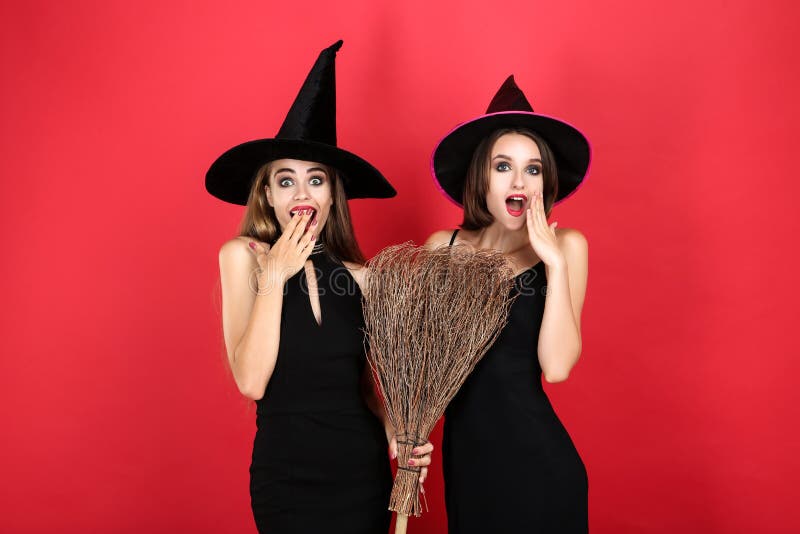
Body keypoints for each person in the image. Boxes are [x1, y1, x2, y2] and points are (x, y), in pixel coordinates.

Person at [206, 40, 432, 534]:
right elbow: (251, 381)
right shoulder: (241, 258)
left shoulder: (361, 276)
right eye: (285, 181)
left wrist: (400, 431)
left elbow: (370, 385)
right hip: (284, 476)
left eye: (316, 180)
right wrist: (276, 275)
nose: (302, 194)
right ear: (266, 194)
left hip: (359, 472)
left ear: (333, 193)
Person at [426, 75, 591, 533]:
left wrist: (553, 265)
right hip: (468, 467)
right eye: (503, 166)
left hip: (540, 470)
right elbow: (421, 360)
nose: (519, 180)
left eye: (533, 169)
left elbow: (556, 367)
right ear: (481, 175)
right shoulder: (444, 247)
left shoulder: (567, 248)